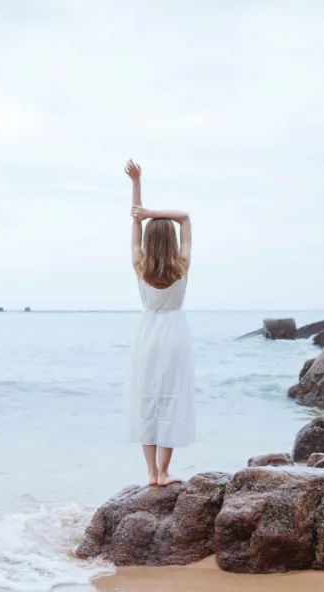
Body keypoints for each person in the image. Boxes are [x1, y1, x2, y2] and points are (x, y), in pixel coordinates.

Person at [123, 159, 195, 486]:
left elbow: (134, 217)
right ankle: (165, 472)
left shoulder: (140, 263)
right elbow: (185, 217)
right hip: (175, 334)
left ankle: (150, 472)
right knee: (171, 399)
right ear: (172, 241)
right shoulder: (182, 263)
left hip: (148, 334)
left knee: (147, 399)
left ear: (150, 242)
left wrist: (136, 183)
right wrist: (154, 213)